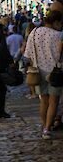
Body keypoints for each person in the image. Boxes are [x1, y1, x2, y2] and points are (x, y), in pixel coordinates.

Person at [24, 9, 63, 139]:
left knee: (44, 102)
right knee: (54, 102)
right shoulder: (57, 36)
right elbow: (59, 55)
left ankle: (44, 126)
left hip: (38, 72)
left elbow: (27, 54)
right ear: (56, 22)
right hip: (54, 72)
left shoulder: (34, 33)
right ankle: (47, 128)